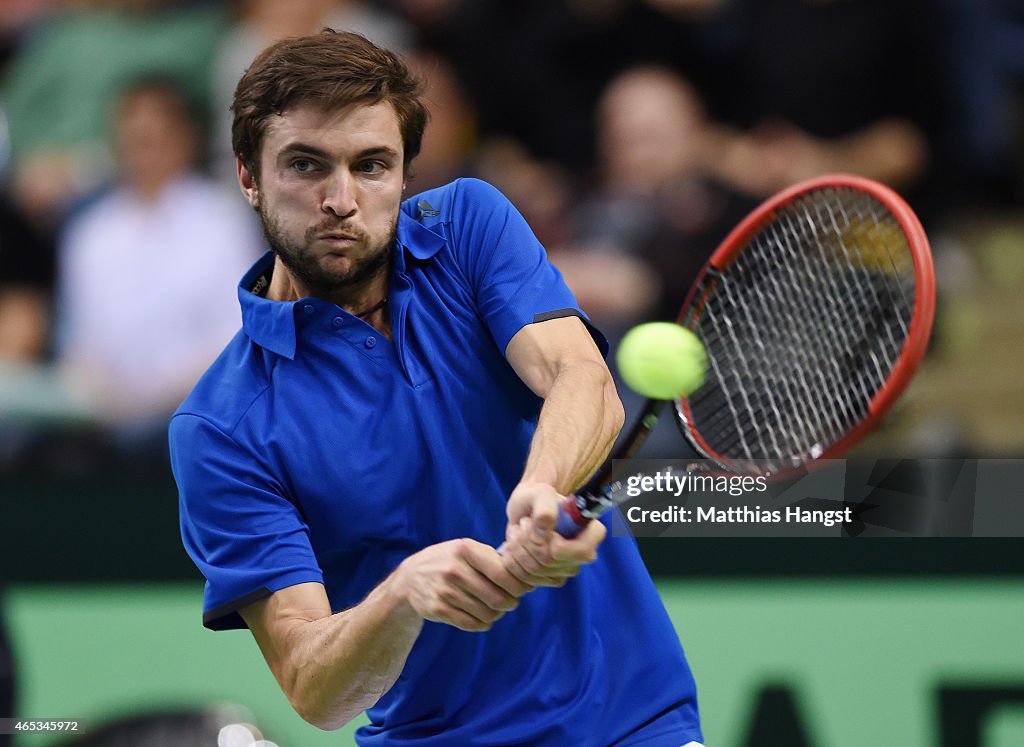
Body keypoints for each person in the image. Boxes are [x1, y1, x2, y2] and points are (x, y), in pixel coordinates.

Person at [170, 30, 703, 746]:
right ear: (248, 177)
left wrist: (541, 489)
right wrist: (403, 595)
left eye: (372, 166)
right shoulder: (220, 426)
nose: (340, 199)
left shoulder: (468, 227)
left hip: (630, 726)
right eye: (305, 164)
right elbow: (311, 685)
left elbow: (581, 378)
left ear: (404, 173)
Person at [56, 77, 263, 435]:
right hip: (106, 423)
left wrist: (157, 398)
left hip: (208, 415)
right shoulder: (90, 231)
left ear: (186, 138)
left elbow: (239, 333)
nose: (144, 151)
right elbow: (80, 342)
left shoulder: (224, 221)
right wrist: (106, 395)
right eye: (134, 138)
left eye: (156, 137)